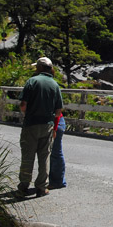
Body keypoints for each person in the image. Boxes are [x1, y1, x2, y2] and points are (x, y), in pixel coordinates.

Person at [17, 57, 63, 198]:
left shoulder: (32, 81)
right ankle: (42, 187)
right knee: (44, 157)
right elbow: (58, 110)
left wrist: (27, 113)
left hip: (31, 124)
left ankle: (23, 186)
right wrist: (54, 128)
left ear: (40, 68)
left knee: (27, 156)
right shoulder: (55, 85)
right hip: (47, 125)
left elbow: (23, 105)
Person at [48, 113, 67, 189]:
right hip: (55, 123)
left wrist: (55, 129)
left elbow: (57, 112)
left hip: (57, 123)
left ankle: (58, 181)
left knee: (55, 153)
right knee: (53, 153)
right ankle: (55, 180)